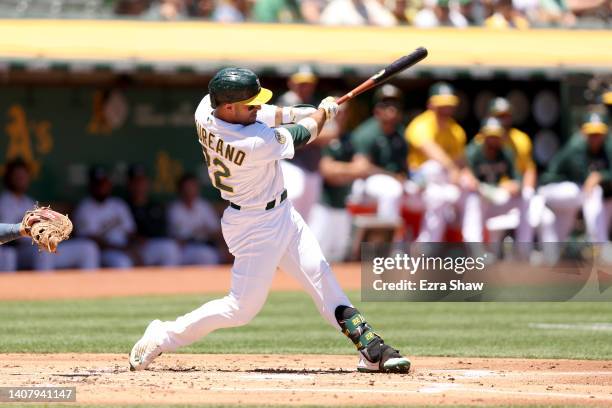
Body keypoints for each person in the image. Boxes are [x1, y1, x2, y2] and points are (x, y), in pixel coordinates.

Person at [129, 67, 410, 373]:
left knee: (321, 275)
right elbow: (304, 134)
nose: (255, 107)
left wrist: (305, 110)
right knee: (241, 309)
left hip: (283, 213)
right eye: (248, 104)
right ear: (228, 107)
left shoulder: (206, 109)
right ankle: (163, 334)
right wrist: (322, 115)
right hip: (254, 225)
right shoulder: (252, 142)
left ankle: (369, 347)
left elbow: (266, 113)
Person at [0, 159, 99, 271]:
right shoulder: (4, 202)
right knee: (44, 252)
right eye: (17, 175)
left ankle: (87, 288)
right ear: (9, 178)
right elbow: (10, 238)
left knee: (87, 248)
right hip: (20, 251)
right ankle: (43, 288)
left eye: (24, 175)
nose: (21, 179)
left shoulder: (29, 201)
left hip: (40, 247)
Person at [404, 82, 467, 242]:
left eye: (449, 105)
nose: (446, 109)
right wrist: (452, 168)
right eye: (442, 104)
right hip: (415, 185)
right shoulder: (421, 123)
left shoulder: (456, 130)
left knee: (451, 195)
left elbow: (461, 162)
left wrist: (462, 176)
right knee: (434, 168)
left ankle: (472, 247)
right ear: (431, 104)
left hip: (440, 187)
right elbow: (429, 149)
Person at [539, 112, 612, 243]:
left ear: (605, 134)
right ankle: (599, 245)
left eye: (598, 134)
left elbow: (596, 178)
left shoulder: (607, 148)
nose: (595, 137)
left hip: (573, 195)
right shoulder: (576, 146)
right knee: (595, 192)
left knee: (554, 248)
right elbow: (586, 181)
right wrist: (596, 178)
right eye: (591, 134)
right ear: (583, 133)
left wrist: (600, 175)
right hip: (552, 190)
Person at [309, 102, 368, 261]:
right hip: (322, 205)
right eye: (337, 112)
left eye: (344, 112)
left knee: (339, 255)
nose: (340, 115)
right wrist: (350, 170)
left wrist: (340, 171)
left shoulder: (351, 138)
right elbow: (327, 171)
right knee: (317, 255)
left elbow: (363, 168)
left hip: (343, 205)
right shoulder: (322, 137)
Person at [349, 84, 409, 222]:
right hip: (365, 184)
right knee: (391, 191)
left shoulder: (400, 132)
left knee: (432, 196)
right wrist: (393, 176)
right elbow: (362, 169)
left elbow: (404, 166)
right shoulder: (367, 132)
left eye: (396, 104)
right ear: (377, 109)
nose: (392, 109)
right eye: (386, 104)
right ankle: (386, 240)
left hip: (395, 180)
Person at [462, 117, 526, 245]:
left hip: (496, 197)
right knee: (473, 198)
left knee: (526, 198)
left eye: (496, 136)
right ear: (483, 136)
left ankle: (524, 248)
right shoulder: (473, 152)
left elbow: (518, 181)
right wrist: (471, 180)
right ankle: (475, 250)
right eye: (490, 136)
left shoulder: (506, 153)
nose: (493, 140)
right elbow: (464, 174)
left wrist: (514, 186)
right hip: (477, 199)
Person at [276, 66, 326, 222]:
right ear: (292, 83)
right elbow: (295, 137)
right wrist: (317, 135)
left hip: (311, 167)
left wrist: (316, 135)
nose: (305, 87)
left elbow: (333, 132)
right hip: (290, 164)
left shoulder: (314, 103)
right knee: (290, 211)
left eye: (308, 83)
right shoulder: (286, 103)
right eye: (301, 83)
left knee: (307, 218)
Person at [73, 166, 136, 268]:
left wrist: (133, 248)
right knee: (122, 262)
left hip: (123, 248)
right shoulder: (84, 208)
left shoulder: (119, 205)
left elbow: (130, 232)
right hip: (103, 252)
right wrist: (120, 249)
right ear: (91, 185)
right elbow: (91, 240)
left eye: (104, 183)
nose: (101, 187)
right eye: (98, 184)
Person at [126, 164, 181, 267]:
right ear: (129, 184)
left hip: (156, 244)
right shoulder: (123, 205)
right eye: (136, 182)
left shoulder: (156, 205)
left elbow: (165, 230)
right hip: (134, 247)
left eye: (142, 181)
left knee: (170, 247)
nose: (139, 186)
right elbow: (126, 232)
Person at [167, 174, 222, 265]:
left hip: (203, 245)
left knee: (209, 254)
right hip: (182, 248)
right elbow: (181, 237)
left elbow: (216, 230)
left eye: (192, 187)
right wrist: (201, 230)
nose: (189, 190)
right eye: (187, 187)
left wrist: (204, 232)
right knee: (171, 253)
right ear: (180, 189)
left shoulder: (203, 205)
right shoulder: (174, 208)